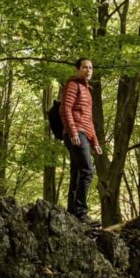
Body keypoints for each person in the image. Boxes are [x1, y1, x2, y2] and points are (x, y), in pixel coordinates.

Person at [60, 57, 103, 223]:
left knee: (77, 172)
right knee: (87, 171)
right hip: (76, 133)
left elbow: (88, 120)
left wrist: (95, 142)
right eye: (85, 67)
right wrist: (73, 133)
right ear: (78, 69)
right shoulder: (72, 85)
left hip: (83, 133)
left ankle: (72, 212)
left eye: (91, 68)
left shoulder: (87, 91)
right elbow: (65, 109)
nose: (88, 70)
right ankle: (81, 211)